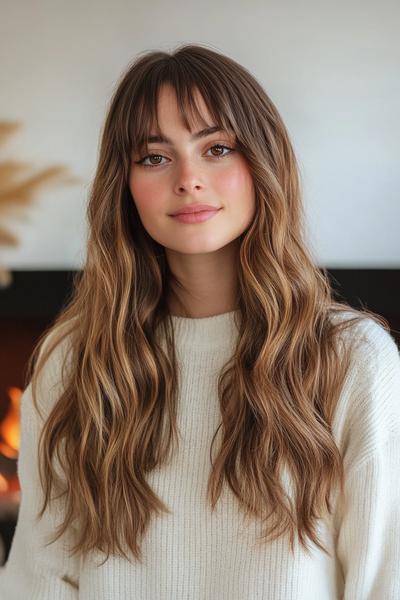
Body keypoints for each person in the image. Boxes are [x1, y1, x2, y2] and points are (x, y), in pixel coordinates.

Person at [1, 43, 399, 600]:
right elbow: (38, 579)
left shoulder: (353, 358)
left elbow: (385, 578)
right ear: (125, 184)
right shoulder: (72, 359)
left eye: (216, 148)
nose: (188, 179)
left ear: (263, 162)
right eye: (154, 157)